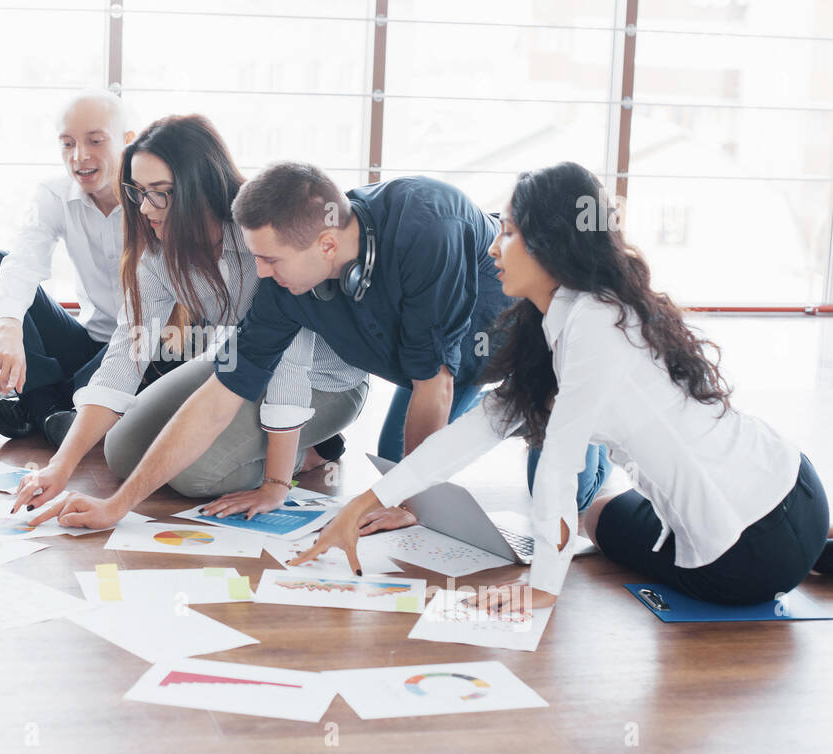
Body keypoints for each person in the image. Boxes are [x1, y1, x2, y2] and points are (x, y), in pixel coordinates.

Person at [302, 160, 832, 605]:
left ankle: (810, 553)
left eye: (508, 232)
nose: (493, 247)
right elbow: (481, 428)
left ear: (550, 246)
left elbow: (560, 462)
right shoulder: (572, 311)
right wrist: (363, 502)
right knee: (593, 515)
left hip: (749, 554)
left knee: (591, 520)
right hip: (794, 478)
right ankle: (820, 548)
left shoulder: (595, 329)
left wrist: (542, 588)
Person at [33, 162, 606, 540]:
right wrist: (119, 506)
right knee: (396, 465)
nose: (258, 274)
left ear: (327, 243)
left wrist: (404, 497)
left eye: (270, 260)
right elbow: (221, 392)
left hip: (531, 353)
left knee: (555, 501)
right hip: (440, 367)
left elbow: (436, 384)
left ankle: (603, 446)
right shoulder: (287, 284)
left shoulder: (426, 223)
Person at [14, 116, 368, 516]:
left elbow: (290, 370)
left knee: (195, 477)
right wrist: (59, 466)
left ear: (202, 189)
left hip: (322, 380)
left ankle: (313, 447)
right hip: (237, 364)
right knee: (121, 450)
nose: (146, 208)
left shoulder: (263, 245)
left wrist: (275, 485)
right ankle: (271, 445)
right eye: (139, 192)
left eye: (160, 193)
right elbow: (122, 361)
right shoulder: (157, 257)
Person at [0, 91, 139, 447]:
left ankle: (40, 406)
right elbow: (22, 263)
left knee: (148, 333)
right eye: (67, 144)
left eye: (95, 141)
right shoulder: (55, 194)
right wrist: (9, 330)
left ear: (127, 142)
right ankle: (53, 409)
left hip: (140, 347)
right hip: (89, 342)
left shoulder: (154, 196)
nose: (79, 156)